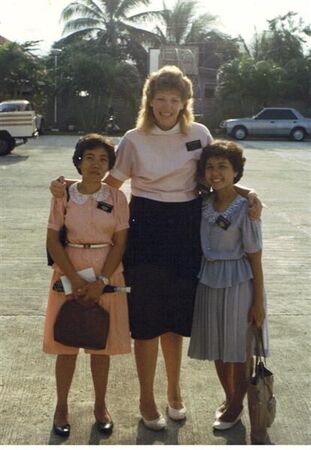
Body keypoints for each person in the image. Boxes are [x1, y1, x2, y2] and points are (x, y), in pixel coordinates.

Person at [49, 65, 262, 431]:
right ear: (149, 101)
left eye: (174, 100)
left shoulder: (198, 133)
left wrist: (248, 192)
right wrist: (64, 185)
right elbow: (109, 182)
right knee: (147, 319)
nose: (166, 106)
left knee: (175, 320)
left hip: (186, 225)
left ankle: (174, 391)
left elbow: (217, 174)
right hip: (146, 224)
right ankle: (146, 398)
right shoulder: (134, 138)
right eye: (160, 99)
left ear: (184, 104)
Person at [43, 134, 131, 437]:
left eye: (103, 159)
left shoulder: (117, 198)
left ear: (110, 166)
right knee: (65, 343)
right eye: (90, 157)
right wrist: (76, 278)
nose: (96, 164)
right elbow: (53, 240)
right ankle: (61, 407)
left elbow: (120, 243)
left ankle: (100, 407)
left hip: (107, 272)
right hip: (68, 271)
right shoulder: (64, 195)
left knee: (100, 345)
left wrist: (101, 281)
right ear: (78, 162)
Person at [188, 140, 269, 431]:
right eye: (210, 167)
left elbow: (255, 259)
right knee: (218, 346)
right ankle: (229, 394)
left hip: (239, 281)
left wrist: (258, 302)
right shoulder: (204, 204)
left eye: (223, 166)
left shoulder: (246, 208)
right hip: (208, 279)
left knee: (238, 348)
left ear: (236, 171)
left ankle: (237, 404)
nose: (215, 172)